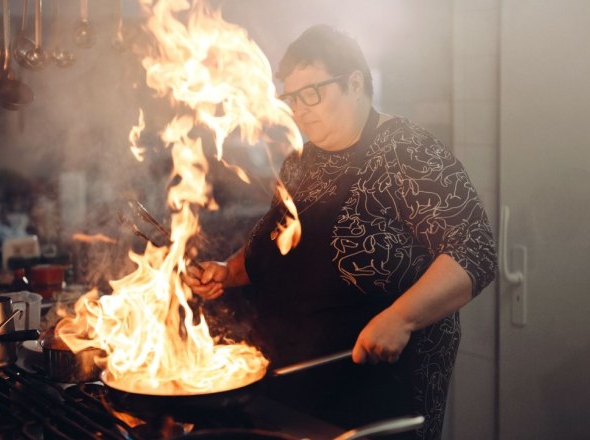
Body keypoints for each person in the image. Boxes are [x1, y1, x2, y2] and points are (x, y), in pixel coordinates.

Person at [185, 24, 497, 440]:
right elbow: (272, 242)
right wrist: (228, 271)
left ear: (354, 83)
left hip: (380, 393)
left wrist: (400, 318)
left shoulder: (409, 150)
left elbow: (473, 252)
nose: (300, 108)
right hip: (293, 388)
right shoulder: (301, 161)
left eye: (311, 92)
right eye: (292, 97)